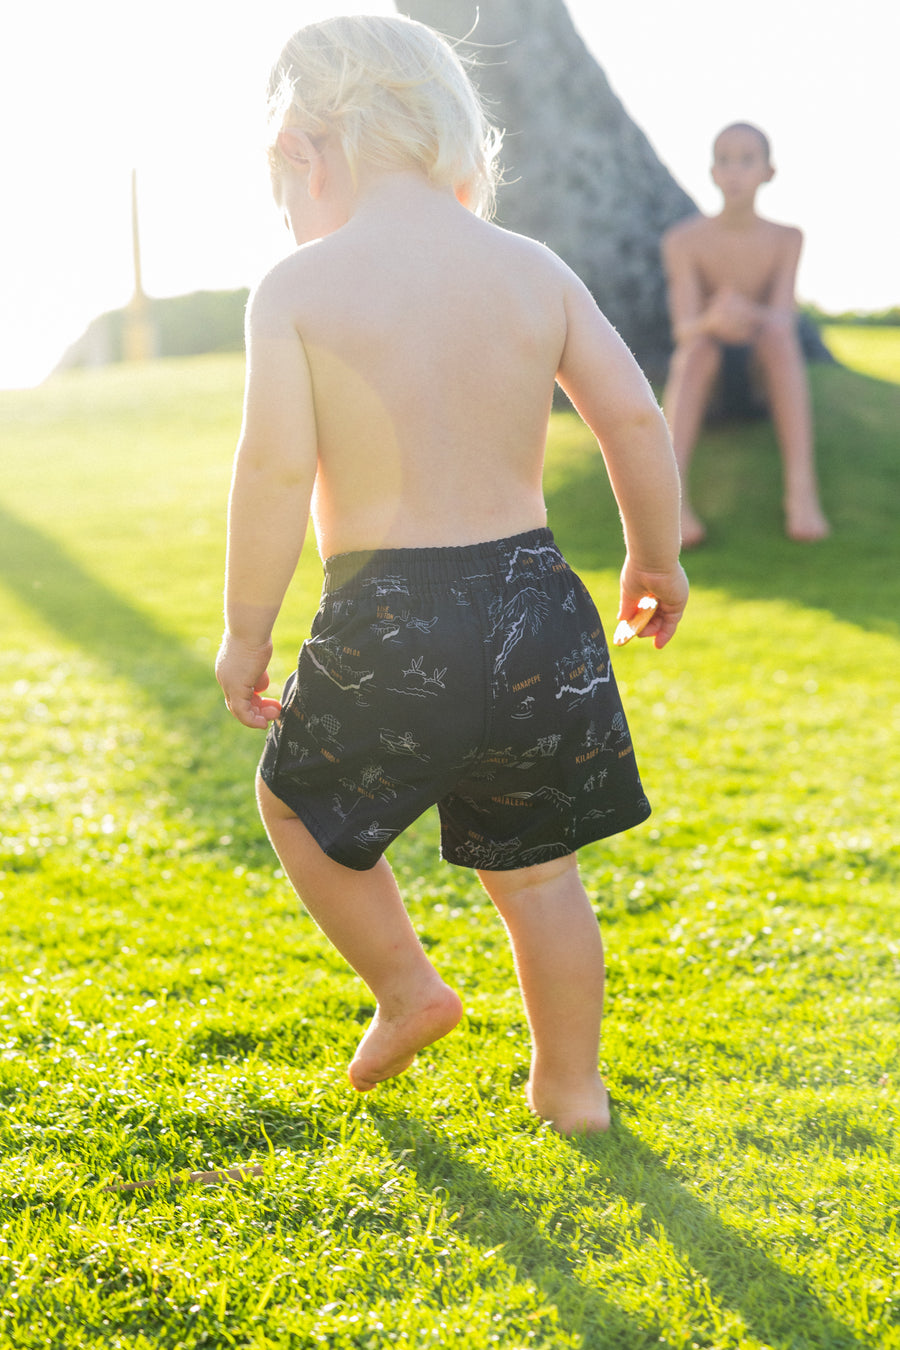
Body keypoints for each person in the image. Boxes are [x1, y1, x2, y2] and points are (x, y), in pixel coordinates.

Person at [215, 15, 688, 1136]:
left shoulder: (299, 288)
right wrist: (655, 557)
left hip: (389, 615)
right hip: (536, 606)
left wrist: (247, 634)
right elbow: (630, 414)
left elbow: (277, 467)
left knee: (292, 803)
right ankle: (572, 1091)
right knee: (539, 878)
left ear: (301, 146)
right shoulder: (532, 268)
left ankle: (409, 990)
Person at [661, 122, 830, 548]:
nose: (734, 171)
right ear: (713, 172)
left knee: (778, 339)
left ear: (767, 172)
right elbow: (684, 329)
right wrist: (713, 320)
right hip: (711, 373)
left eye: (746, 160)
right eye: (724, 160)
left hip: (762, 370)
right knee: (696, 351)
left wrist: (746, 313)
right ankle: (671, 502)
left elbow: (782, 317)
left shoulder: (787, 238)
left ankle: (802, 493)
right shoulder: (683, 241)